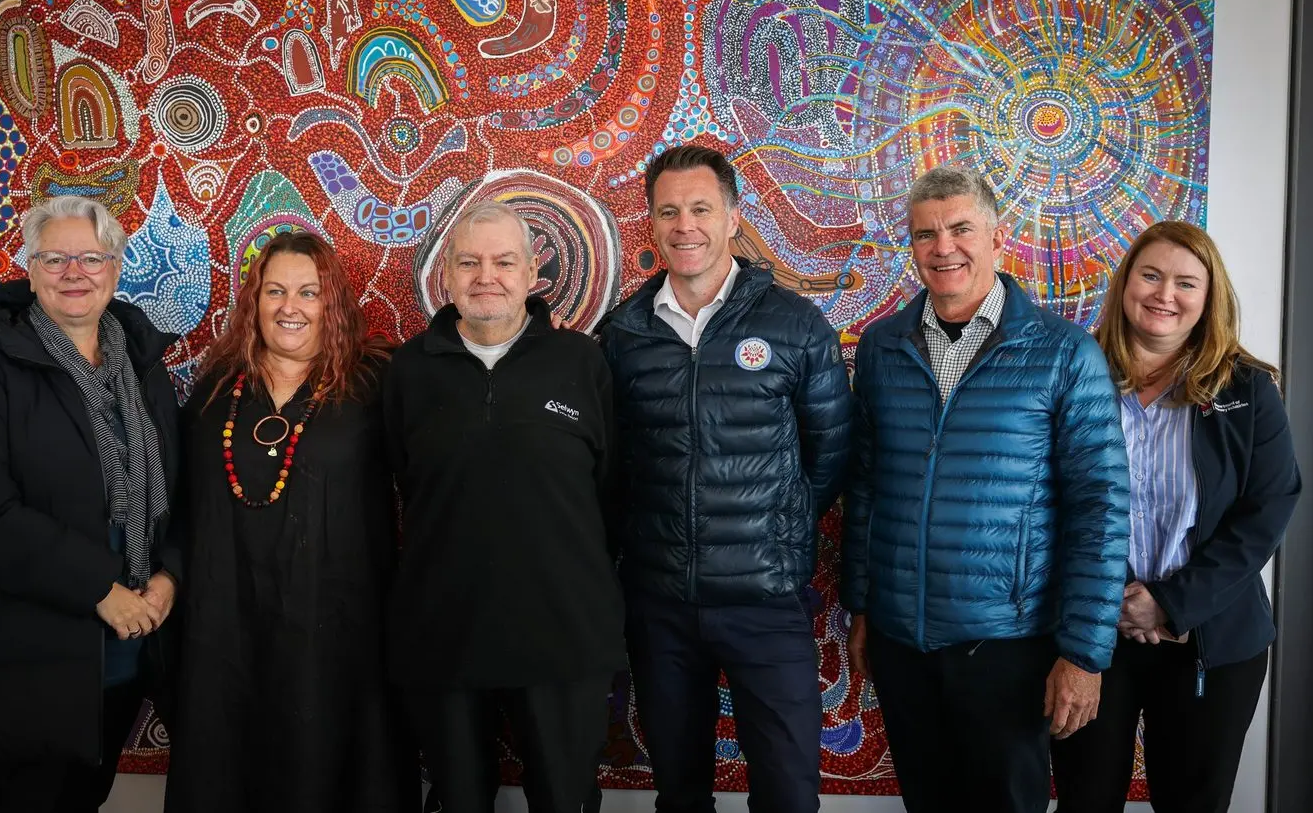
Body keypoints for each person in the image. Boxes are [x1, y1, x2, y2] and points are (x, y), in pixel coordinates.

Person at [842, 165, 1131, 813]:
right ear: (911, 246)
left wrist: (1084, 653)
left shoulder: (1063, 353)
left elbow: (1100, 510)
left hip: (1008, 646)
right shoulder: (882, 346)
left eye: (960, 228)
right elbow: (864, 485)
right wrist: (862, 604)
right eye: (925, 234)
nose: (943, 247)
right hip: (900, 641)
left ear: (997, 237)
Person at [598, 145, 852, 812]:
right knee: (679, 792)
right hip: (659, 604)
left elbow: (829, 451)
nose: (686, 225)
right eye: (669, 211)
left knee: (788, 790)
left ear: (732, 217)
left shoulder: (794, 324)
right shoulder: (622, 333)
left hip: (765, 600)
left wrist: (777, 525)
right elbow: (610, 462)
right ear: (650, 223)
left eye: (701, 208)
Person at [0, 196, 180, 813]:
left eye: (90, 257)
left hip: (127, 651)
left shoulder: (144, 370)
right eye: (55, 258)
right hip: (28, 659)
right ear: (30, 270)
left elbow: (180, 492)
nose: (74, 272)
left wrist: (169, 575)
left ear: (115, 269)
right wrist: (100, 589)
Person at [1051, 221, 1302, 812]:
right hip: (1092, 635)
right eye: (1152, 275)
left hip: (1209, 642)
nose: (1166, 294)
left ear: (1207, 299)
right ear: (1126, 284)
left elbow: (1267, 511)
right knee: (1085, 802)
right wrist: (1104, 600)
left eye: (1186, 282)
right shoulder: (1070, 374)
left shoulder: (1249, 391)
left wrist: (1170, 601)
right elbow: (1041, 501)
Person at [385, 201, 624, 813]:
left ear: (531, 273)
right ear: (446, 274)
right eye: (469, 261)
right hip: (445, 633)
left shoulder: (582, 362)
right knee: (459, 800)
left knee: (565, 799)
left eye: (502, 261)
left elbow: (613, 488)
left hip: (562, 634)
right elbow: (401, 485)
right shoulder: (408, 371)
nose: (485, 276)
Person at [164, 232, 414, 812]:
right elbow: (181, 510)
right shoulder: (214, 395)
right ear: (253, 302)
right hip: (230, 637)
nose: (290, 307)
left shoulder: (376, 383)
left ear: (333, 303)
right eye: (274, 291)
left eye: (309, 292)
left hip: (340, 639)